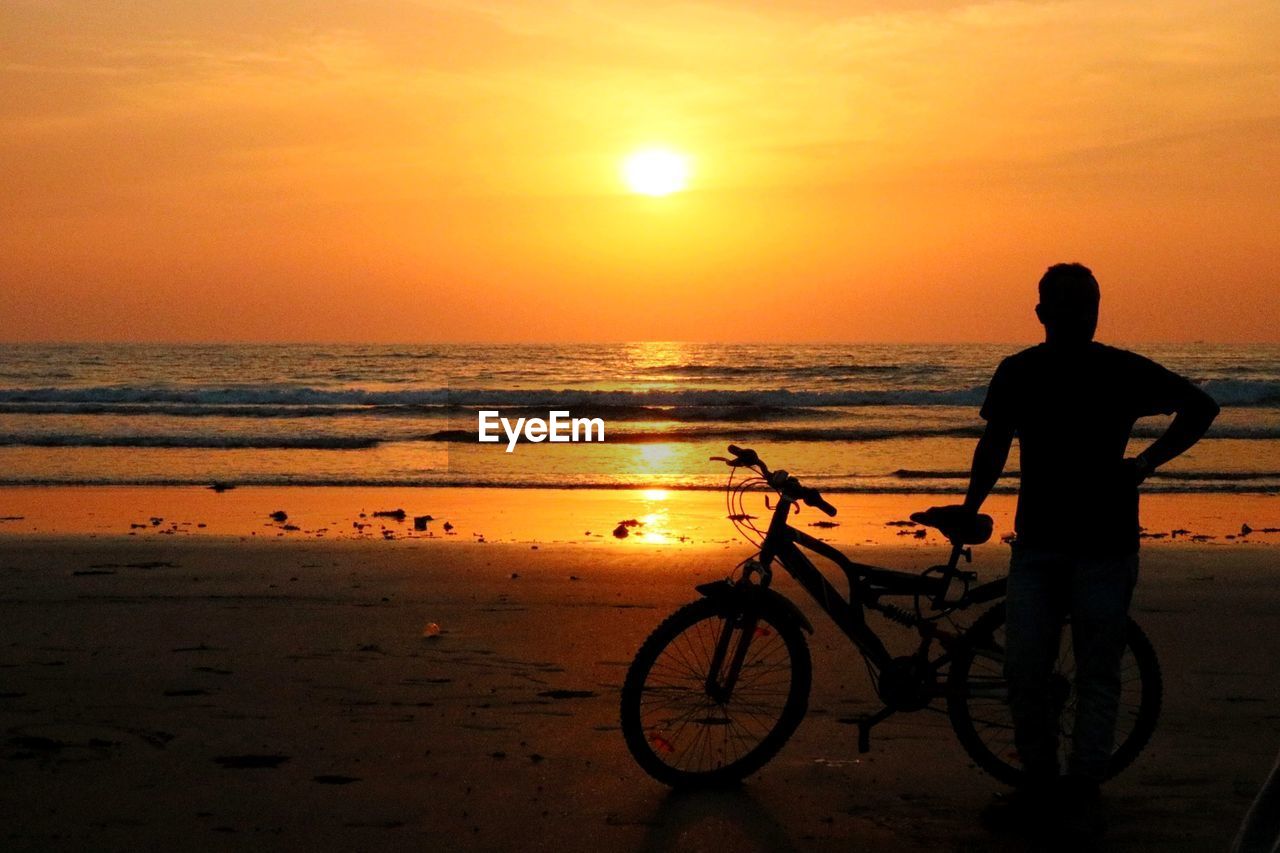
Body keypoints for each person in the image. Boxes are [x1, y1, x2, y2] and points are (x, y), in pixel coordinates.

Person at [958, 263, 1219, 837]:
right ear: (1043, 313)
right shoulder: (1020, 372)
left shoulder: (1118, 369)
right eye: (1071, 304)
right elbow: (994, 444)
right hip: (1041, 544)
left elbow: (1201, 407)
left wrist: (1145, 464)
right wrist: (971, 506)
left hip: (1105, 544)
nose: (1082, 315)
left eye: (1089, 304)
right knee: (1026, 667)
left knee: (1097, 668)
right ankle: (1042, 781)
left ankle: (1082, 786)